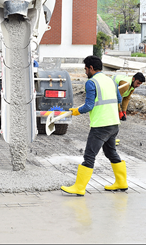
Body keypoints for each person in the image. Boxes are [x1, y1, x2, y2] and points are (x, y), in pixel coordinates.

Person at [61, 55, 128, 196]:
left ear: (91, 68)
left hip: (101, 126)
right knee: (111, 152)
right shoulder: (110, 81)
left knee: (89, 155)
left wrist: (77, 111)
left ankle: (79, 187)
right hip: (114, 124)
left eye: (86, 69)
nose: (86, 72)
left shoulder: (91, 83)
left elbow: (89, 105)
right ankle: (121, 182)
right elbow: (119, 99)